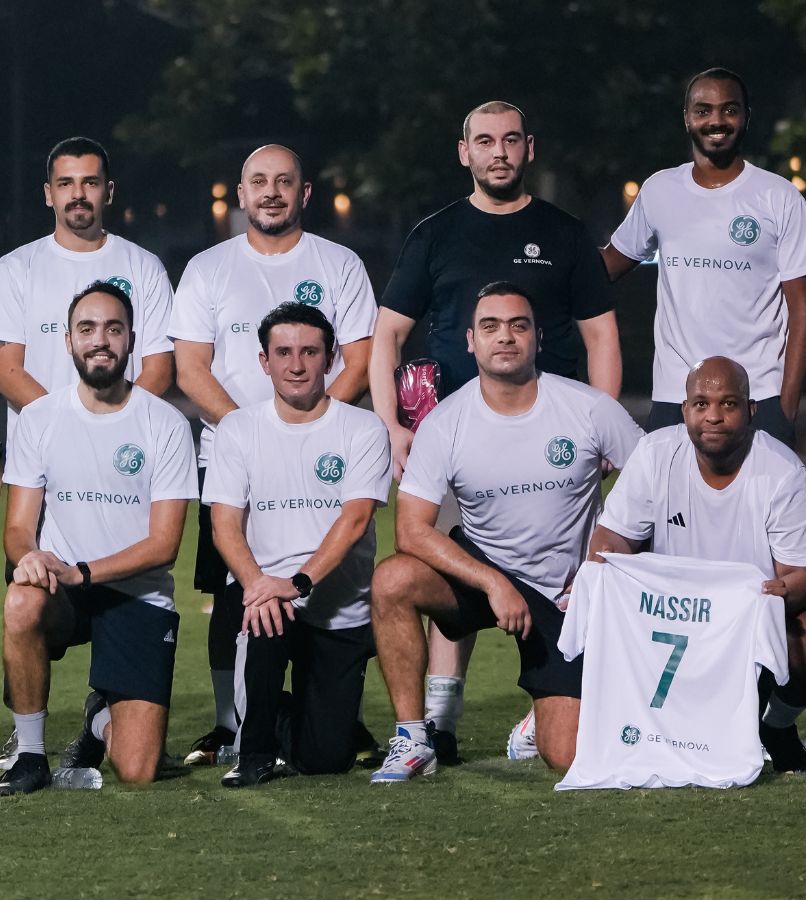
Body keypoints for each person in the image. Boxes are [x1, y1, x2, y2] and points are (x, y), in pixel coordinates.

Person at [369, 100, 623, 762]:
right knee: (450, 568)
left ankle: (554, 706)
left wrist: (596, 421)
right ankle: (436, 723)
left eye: (510, 140)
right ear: (465, 153)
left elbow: (601, 335)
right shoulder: (435, 233)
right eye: (485, 141)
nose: (499, 152)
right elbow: (388, 333)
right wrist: (392, 424)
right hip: (454, 439)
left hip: (550, 437)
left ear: (528, 148)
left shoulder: (563, 233)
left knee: (556, 571)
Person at [368, 283, 642, 782]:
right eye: (490, 327)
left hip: (566, 596)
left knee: (569, 756)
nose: (505, 337)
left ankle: (539, 721)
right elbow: (410, 530)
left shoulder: (588, 408)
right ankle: (412, 737)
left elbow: (653, 486)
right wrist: (493, 583)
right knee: (392, 580)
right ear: (470, 341)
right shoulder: (446, 422)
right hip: (483, 577)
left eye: (519, 325)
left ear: (537, 337)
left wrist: (606, 563)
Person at [169, 144, 376, 766]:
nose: (272, 192)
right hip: (232, 453)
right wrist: (253, 435)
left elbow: (360, 359)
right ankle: (230, 722)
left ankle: (337, 716)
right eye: (259, 181)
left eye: (285, 181)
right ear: (241, 192)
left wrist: (310, 427)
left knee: (330, 580)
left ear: (304, 192)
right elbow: (190, 366)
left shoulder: (339, 264)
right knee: (232, 590)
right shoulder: (207, 268)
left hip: (324, 459)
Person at [587, 357, 806, 773]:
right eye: (701, 404)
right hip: (670, 625)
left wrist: (784, 592)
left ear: (751, 410)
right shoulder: (655, 453)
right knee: (595, 593)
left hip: (748, 630)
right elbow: (612, 538)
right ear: (685, 410)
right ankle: (633, 723)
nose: (714, 417)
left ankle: (775, 727)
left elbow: (803, 576)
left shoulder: (783, 472)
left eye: (728, 404)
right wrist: (600, 571)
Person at [0, 281, 198, 795]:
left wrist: (81, 571)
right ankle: (31, 756)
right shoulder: (39, 419)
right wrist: (32, 558)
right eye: (87, 329)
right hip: (63, 590)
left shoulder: (166, 424)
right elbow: (17, 529)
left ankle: (98, 719)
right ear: (68, 341)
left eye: (113, 328)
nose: (100, 340)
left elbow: (164, 544)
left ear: (131, 339)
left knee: (137, 770)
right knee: (21, 601)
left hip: (136, 594)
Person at [203, 303, 391, 787]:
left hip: (338, 610)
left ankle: (287, 715)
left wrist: (298, 582)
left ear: (330, 360)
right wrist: (259, 584)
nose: (297, 364)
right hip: (267, 600)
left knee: (326, 758)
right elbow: (224, 524)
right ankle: (256, 752)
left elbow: (356, 519)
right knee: (265, 616)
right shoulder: (238, 429)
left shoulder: (362, 429)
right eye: (283, 352)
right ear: (264, 361)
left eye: (310, 352)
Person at [600, 69, 806, 444]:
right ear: (687, 117)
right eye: (703, 110)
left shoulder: (779, 196)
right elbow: (606, 267)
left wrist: (786, 406)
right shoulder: (660, 190)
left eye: (729, 110)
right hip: (677, 395)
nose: (716, 121)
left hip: (756, 396)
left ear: (746, 116)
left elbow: (803, 307)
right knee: (671, 503)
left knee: (758, 505)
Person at [0, 136, 176, 434]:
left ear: (108, 192)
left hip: (124, 443)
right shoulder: (16, 268)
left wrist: (114, 422)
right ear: (49, 193)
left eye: (91, 183)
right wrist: (69, 428)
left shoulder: (145, 267)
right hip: (42, 446)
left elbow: (160, 368)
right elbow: (7, 371)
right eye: (66, 183)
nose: (78, 193)